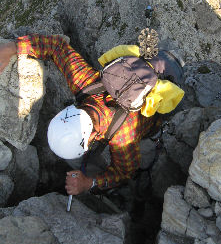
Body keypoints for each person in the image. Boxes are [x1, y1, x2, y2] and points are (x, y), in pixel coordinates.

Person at [0, 34, 163, 197]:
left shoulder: (123, 137)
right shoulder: (85, 84)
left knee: (149, 142)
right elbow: (56, 47)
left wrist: (90, 183)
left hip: (151, 124)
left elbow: (124, 172)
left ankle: (157, 137)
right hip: (137, 79)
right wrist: (11, 48)